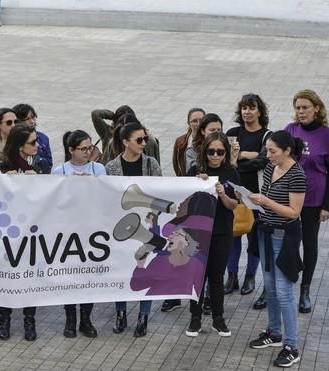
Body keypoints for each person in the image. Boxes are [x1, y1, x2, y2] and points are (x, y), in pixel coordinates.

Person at [247, 130, 306, 368]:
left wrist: (266, 202)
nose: (268, 155)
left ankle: (292, 346)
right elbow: (266, 196)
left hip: (285, 236)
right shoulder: (271, 168)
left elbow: (294, 212)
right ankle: (274, 332)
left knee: (283, 291)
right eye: (267, 150)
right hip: (266, 231)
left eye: (272, 151)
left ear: (287, 151)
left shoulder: (297, 174)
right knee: (269, 287)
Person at [0, 124, 50, 340]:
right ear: (19, 145)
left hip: (33, 231)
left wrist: (36, 181)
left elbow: (50, 195)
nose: (38, 145)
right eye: (33, 142)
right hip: (6, 231)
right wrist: (8, 181)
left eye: (37, 141)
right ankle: (3, 319)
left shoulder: (42, 165)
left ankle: (29, 320)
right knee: (6, 276)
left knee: (29, 276)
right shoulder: (1, 165)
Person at [163, 112, 227, 313]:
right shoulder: (186, 147)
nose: (215, 155)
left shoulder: (227, 156)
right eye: (212, 130)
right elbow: (180, 169)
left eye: (219, 130)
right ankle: (189, 306)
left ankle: (211, 304)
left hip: (219, 223)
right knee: (190, 262)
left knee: (213, 270)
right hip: (195, 216)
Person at [285, 90, 329, 314]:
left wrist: (327, 205)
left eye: (305, 107)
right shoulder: (290, 130)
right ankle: (286, 281)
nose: (301, 112)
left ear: (316, 108)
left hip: (313, 199)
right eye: (298, 108)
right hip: (289, 196)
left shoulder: (328, 135)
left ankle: (305, 290)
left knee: (309, 242)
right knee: (288, 241)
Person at [105, 122, 161, 337]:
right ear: (125, 142)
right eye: (139, 140)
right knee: (121, 269)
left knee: (145, 269)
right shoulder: (111, 167)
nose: (144, 143)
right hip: (121, 227)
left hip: (147, 225)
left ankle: (143, 316)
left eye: (145, 139)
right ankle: (120, 313)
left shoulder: (151, 163)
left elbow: (160, 191)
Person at [184, 132, 239, 338]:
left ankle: (218, 318)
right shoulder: (194, 172)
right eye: (211, 152)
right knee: (196, 275)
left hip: (222, 232)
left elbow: (234, 205)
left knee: (216, 276)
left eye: (220, 152)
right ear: (204, 152)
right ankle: (195, 318)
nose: (215, 156)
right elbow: (185, 202)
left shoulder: (232, 174)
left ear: (225, 152)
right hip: (197, 233)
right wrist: (198, 184)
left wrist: (223, 194)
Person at [52, 130, 106, 338]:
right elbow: (54, 200)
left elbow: (104, 196)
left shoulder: (98, 169)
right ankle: (70, 319)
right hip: (67, 232)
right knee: (69, 277)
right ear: (71, 150)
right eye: (83, 149)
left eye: (90, 148)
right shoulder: (60, 171)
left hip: (92, 232)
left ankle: (86, 319)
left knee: (88, 277)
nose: (87, 152)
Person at [224, 94, 271, 299]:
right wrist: (247, 155)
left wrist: (240, 155)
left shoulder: (267, 136)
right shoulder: (233, 132)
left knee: (254, 237)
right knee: (233, 235)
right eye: (244, 108)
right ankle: (231, 275)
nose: (247, 112)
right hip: (232, 191)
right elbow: (227, 159)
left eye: (251, 108)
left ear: (259, 111)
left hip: (256, 194)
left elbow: (263, 160)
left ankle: (250, 277)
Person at [92, 105, 160, 165]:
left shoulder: (146, 138)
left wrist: (112, 116)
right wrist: (113, 115)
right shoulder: (109, 134)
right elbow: (95, 114)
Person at [12, 103, 53, 170]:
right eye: (27, 119)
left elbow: (49, 163)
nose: (32, 121)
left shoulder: (43, 138)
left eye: (33, 117)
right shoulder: (11, 138)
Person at [172, 107, 205, 177]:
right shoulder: (180, 141)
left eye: (201, 120)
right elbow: (177, 164)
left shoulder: (211, 140)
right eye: (194, 121)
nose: (198, 124)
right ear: (189, 123)